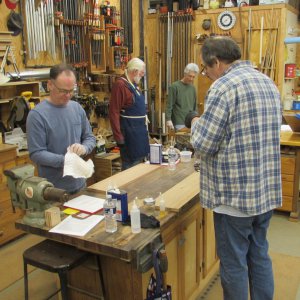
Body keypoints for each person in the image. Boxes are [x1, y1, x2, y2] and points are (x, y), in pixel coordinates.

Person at [186, 37, 282, 300]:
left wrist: (195, 121)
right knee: (259, 254)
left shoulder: (223, 87)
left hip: (234, 198)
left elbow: (203, 144)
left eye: (206, 69)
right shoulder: (268, 83)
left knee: (234, 262)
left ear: (216, 62)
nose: (206, 75)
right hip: (264, 193)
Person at [26, 64, 96, 194]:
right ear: (50, 85)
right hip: (53, 190)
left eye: (72, 90)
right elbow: (36, 153)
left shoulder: (77, 108)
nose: (68, 95)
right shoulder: (37, 115)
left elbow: (89, 138)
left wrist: (84, 148)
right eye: (63, 91)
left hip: (80, 184)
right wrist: (66, 161)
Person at [109, 57, 149, 170]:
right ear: (135, 71)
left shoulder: (133, 85)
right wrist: (118, 137)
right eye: (141, 74)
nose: (141, 76)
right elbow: (114, 112)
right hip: (129, 134)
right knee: (130, 168)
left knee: (139, 165)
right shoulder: (120, 85)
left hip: (139, 133)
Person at [166, 63, 199, 131]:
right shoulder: (174, 87)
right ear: (185, 74)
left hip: (191, 121)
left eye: (193, 77)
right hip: (179, 122)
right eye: (190, 76)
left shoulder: (193, 88)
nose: (191, 79)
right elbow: (169, 105)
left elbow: (195, 106)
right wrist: (168, 119)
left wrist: (196, 119)